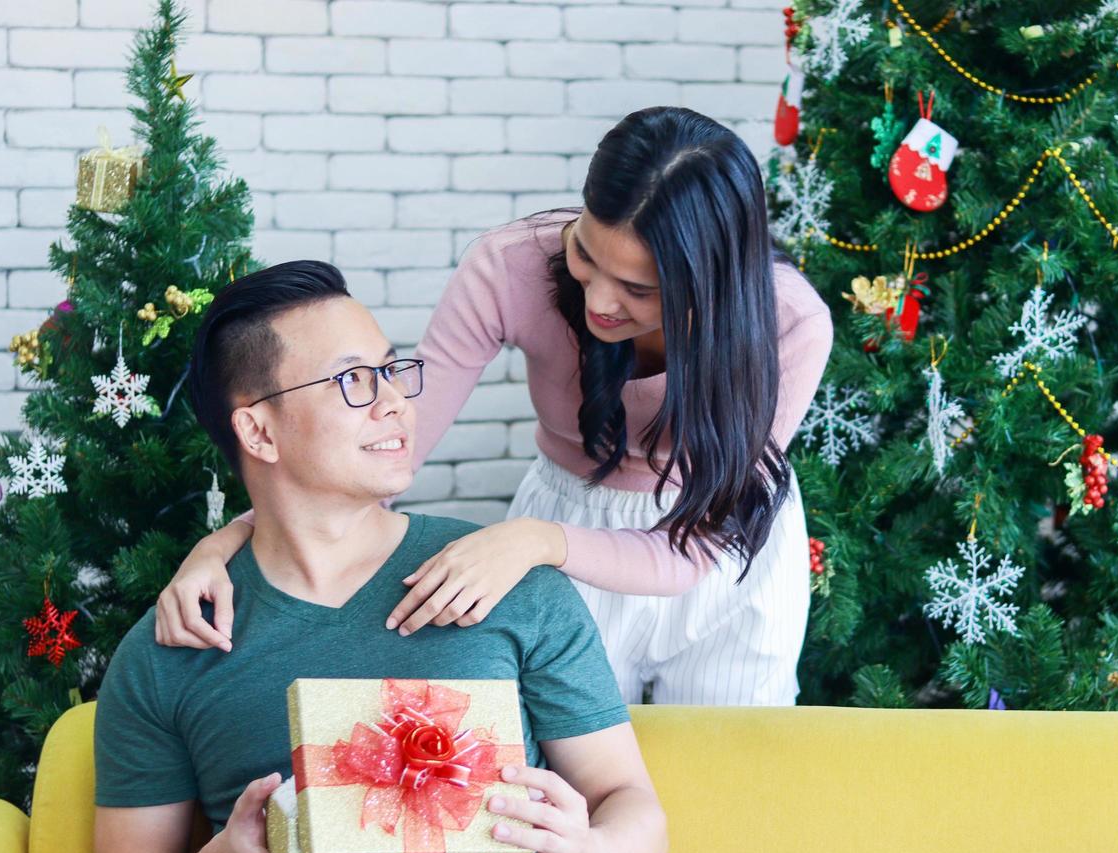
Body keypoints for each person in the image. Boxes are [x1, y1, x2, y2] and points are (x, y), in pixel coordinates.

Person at [93, 261, 667, 853]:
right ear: (258, 431)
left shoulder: (508, 583)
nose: (395, 402)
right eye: (353, 381)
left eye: (392, 372)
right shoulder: (173, 643)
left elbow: (633, 805)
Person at [154, 106, 834, 706]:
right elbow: (390, 446)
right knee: (561, 777)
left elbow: (688, 557)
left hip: (716, 555)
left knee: (723, 781)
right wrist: (224, 542)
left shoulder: (788, 325)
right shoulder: (510, 266)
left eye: (638, 289)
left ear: (707, 283)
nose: (598, 301)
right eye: (586, 256)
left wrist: (537, 542)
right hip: (562, 523)